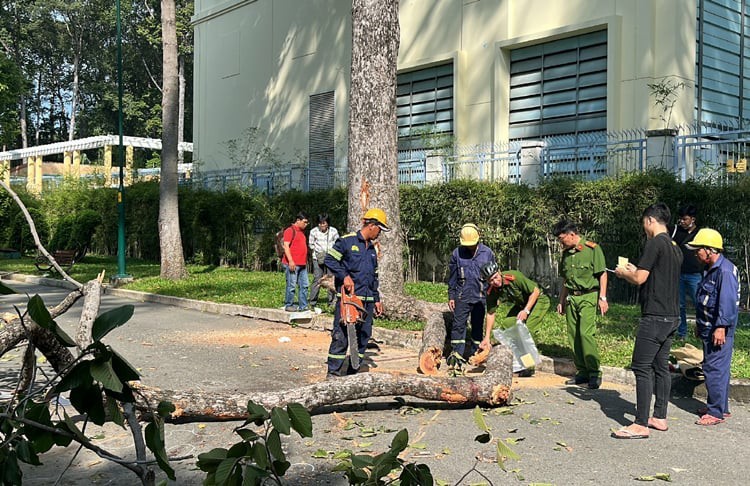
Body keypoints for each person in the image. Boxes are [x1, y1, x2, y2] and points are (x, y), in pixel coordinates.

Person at [612, 203, 682, 439]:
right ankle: (659, 416)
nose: (644, 228)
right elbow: (654, 276)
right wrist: (635, 269)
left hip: (654, 316)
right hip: (672, 316)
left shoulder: (654, 243)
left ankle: (640, 423)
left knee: (641, 367)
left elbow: (640, 278)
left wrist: (624, 274)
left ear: (650, 220)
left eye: (644, 223)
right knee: (661, 367)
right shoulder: (675, 247)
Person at [324, 208, 388, 377]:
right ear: (372, 225)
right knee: (341, 336)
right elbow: (329, 259)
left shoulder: (372, 250)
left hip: (366, 302)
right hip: (350, 301)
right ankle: (333, 373)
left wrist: (376, 299)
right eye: (380, 229)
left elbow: (374, 277)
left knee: (364, 336)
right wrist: (344, 276)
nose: (380, 233)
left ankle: (353, 372)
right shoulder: (346, 241)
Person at [686, 228, 740, 426]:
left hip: (719, 329)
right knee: (720, 369)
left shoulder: (724, 271)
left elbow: (727, 302)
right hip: (710, 327)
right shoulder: (712, 268)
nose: (695, 253)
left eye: (698, 249)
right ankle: (721, 407)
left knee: (713, 369)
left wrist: (721, 327)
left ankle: (715, 412)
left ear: (709, 250)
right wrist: (701, 325)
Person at [552, 220, 608, 390]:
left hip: (588, 296)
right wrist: (561, 300)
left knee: (585, 334)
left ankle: (594, 373)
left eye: (562, 239)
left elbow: (602, 274)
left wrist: (603, 298)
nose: (561, 242)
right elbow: (566, 280)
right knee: (573, 335)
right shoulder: (566, 253)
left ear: (572, 234)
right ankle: (582, 372)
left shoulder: (592, 249)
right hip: (572, 298)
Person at [478, 261, 550, 375]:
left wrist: (526, 311)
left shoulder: (514, 277)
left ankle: (529, 366)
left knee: (527, 331)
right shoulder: (492, 291)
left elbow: (535, 291)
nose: (495, 282)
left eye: (496, 277)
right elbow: (491, 314)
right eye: (491, 280)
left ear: (499, 272)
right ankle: (519, 358)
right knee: (508, 324)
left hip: (538, 301)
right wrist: (486, 338)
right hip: (521, 305)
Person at [447, 223, 496, 368]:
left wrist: (492, 296)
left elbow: (493, 276)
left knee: (477, 327)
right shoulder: (457, 253)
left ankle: (476, 356)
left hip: (480, 297)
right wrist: (451, 295)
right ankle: (456, 356)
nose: (470, 247)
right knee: (458, 326)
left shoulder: (487, 253)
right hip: (462, 296)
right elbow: (453, 276)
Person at [671, 204, 702, 340]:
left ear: (693, 219)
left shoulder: (701, 233)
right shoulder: (676, 231)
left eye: (685, 219)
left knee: (700, 304)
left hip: (695, 275)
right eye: (681, 219)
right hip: (679, 273)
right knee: (680, 305)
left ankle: (701, 331)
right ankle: (681, 333)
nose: (682, 222)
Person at [308, 213, 340, 307]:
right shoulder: (313, 231)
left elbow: (338, 243)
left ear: (328, 223)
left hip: (331, 258)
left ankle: (331, 302)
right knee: (317, 278)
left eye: (324, 223)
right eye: (320, 223)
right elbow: (311, 244)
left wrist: (331, 252)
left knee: (331, 279)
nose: (322, 225)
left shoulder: (334, 231)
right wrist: (319, 252)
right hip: (317, 258)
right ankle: (312, 302)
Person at [281, 212, 310, 312]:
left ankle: (303, 305)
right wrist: (291, 261)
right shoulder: (290, 231)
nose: (306, 224)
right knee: (291, 285)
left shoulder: (301, 232)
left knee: (304, 285)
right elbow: (286, 246)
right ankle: (289, 304)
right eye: (304, 222)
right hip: (293, 263)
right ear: (298, 220)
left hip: (302, 264)